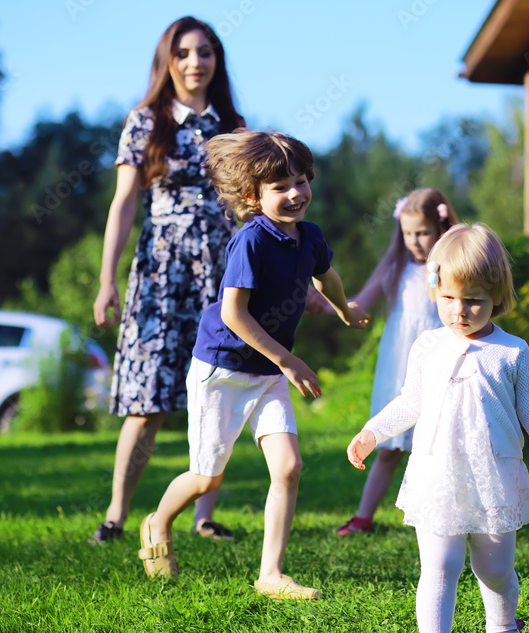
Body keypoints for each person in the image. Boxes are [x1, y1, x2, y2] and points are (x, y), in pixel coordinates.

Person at [137, 130, 369, 600]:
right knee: (207, 477)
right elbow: (232, 314)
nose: (295, 193)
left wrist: (345, 308)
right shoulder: (250, 241)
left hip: (266, 374)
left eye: (300, 181)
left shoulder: (310, 238)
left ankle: (271, 575)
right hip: (222, 370)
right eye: (280, 187)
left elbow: (327, 277)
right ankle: (157, 522)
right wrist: (288, 360)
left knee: (287, 468)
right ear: (253, 196)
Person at [346, 224, 529, 633]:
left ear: (497, 296)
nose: (460, 310)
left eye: (474, 299)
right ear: (435, 291)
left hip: (496, 475)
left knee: (493, 567)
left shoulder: (511, 352)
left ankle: (503, 631)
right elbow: (410, 401)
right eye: (449, 298)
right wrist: (373, 431)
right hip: (437, 476)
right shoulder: (428, 346)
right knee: (439, 566)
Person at [90, 17, 244, 545]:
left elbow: (251, 208)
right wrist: (106, 280)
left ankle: (204, 516)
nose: (194, 62)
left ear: (216, 60)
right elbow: (125, 201)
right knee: (146, 400)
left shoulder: (233, 125)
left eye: (204, 52)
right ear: (168, 61)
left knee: (219, 391)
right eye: (183, 53)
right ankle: (114, 517)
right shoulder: (145, 120)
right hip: (160, 275)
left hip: (222, 273)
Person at [336, 188, 457, 536]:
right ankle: (364, 517)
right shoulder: (395, 266)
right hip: (400, 368)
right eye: (408, 233)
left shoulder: (452, 267)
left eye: (422, 233)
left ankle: (447, 519)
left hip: (442, 365)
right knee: (389, 446)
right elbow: (362, 303)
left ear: (441, 227)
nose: (415, 241)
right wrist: (333, 304)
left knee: (443, 444)